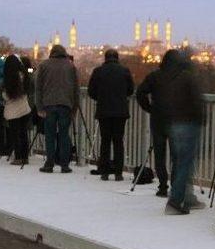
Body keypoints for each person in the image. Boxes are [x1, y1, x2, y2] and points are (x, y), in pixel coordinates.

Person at [146, 49, 204, 214]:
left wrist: (151, 109)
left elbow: (142, 93)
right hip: (185, 124)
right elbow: (195, 102)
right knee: (182, 163)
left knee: (165, 156)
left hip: (167, 122)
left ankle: (166, 188)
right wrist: (200, 119)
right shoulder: (186, 77)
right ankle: (176, 200)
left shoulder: (159, 76)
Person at [88, 49, 134, 181]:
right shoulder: (125, 71)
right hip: (120, 111)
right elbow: (130, 90)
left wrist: (100, 98)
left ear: (105, 58)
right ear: (117, 58)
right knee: (118, 141)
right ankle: (118, 173)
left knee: (105, 141)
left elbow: (91, 91)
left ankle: (105, 172)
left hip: (104, 110)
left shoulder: (98, 71)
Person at [35, 45, 79, 173]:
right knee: (64, 135)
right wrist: (74, 108)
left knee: (50, 135)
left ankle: (49, 163)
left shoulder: (44, 65)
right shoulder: (71, 66)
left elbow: (38, 88)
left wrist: (39, 107)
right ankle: (64, 164)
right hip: (66, 105)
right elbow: (76, 89)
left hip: (48, 104)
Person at [137, 57, 173, 197]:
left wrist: (149, 108)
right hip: (176, 119)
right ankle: (176, 186)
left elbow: (140, 93)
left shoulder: (154, 76)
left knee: (160, 154)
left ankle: (163, 186)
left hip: (158, 119)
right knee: (177, 155)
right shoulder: (181, 78)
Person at [1, 55, 32, 165]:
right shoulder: (24, 75)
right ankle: (25, 156)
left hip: (12, 111)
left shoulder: (9, 79)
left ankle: (18, 157)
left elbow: (6, 96)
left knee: (15, 134)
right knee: (23, 133)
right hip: (24, 108)